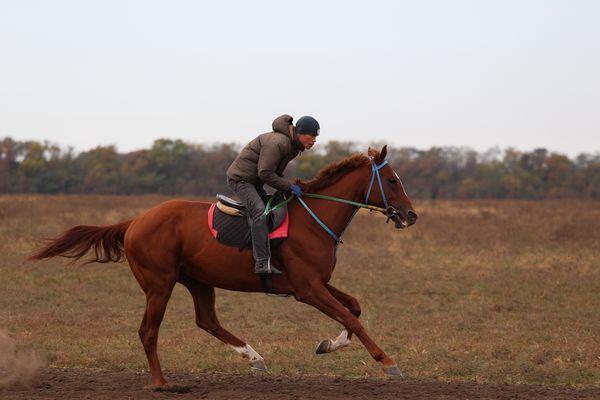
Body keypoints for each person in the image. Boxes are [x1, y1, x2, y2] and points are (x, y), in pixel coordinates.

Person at [226, 114, 319, 274]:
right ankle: (261, 263)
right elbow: (265, 173)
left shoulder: (293, 147)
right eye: (312, 136)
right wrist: (289, 187)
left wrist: (288, 188)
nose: (314, 140)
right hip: (240, 180)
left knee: (275, 208)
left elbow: (274, 173)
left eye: (316, 137)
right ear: (300, 133)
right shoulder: (279, 142)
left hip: (254, 182)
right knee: (260, 212)